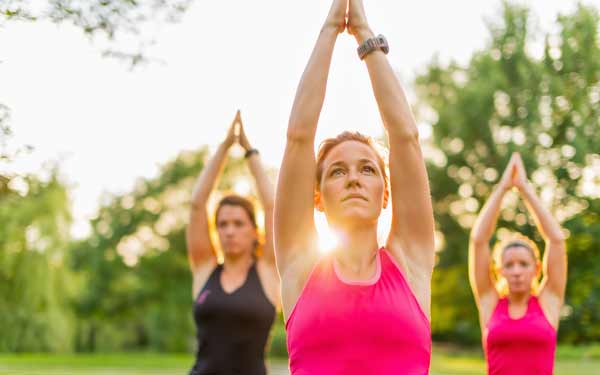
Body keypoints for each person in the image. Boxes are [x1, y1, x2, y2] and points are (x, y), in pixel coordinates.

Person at [274, 0, 435, 373]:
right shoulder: (301, 266)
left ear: (385, 195)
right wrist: (331, 27)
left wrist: (364, 32)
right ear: (317, 196)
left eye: (367, 169)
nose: (353, 179)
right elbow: (299, 137)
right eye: (336, 172)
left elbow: (406, 137)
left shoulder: (409, 262)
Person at [186, 111, 280, 375]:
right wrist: (224, 148)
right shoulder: (205, 268)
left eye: (238, 224)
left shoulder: (268, 271)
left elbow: (273, 206)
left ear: (254, 230)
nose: (229, 231)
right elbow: (197, 205)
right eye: (223, 224)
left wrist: (250, 153)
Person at [469, 152, 567, 375]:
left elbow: (557, 240)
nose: (516, 271)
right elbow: (478, 241)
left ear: (537, 269)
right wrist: (502, 188)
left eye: (523, 264)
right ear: (499, 271)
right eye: (509, 265)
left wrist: (525, 189)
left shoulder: (548, 302)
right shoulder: (490, 303)